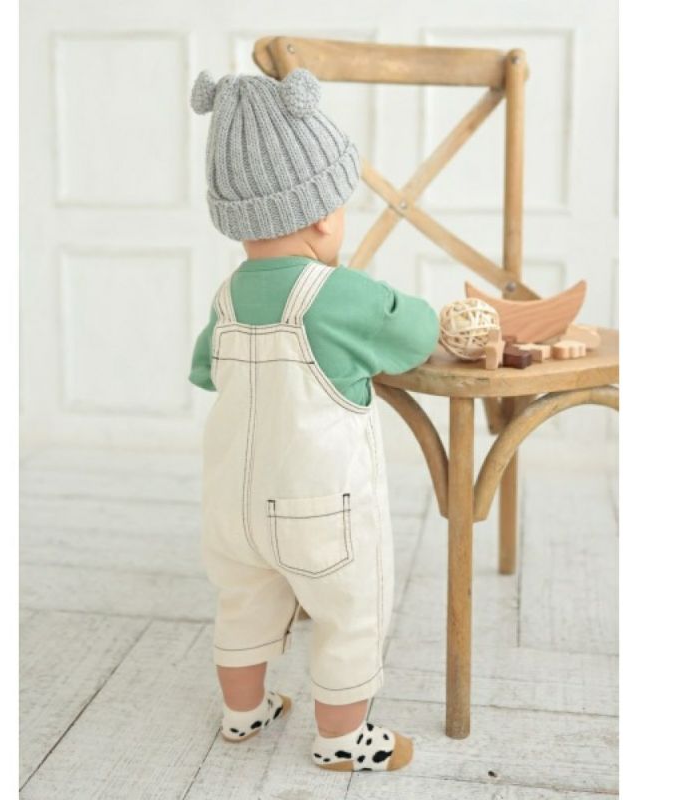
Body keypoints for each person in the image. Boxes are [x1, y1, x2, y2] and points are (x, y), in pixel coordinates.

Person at [188, 66, 438, 772]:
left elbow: (207, 370)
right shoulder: (338, 295)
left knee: (243, 601)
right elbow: (416, 333)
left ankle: (243, 713)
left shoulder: (226, 298)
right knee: (350, 611)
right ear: (324, 216)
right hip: (318, 508)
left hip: (231, 508)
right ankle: (342, 738)